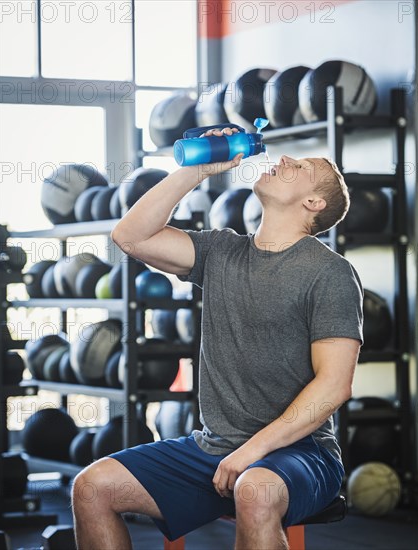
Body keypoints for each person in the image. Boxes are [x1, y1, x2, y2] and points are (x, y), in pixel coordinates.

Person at [72, 127, 363, 550]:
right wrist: (197, 170)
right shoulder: (220, 252)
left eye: (299, 167)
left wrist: (251, 453)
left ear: (313, 203)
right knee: (92, 487)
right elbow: (129, 237)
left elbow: (334, 386)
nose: (282, 161)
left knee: (254, 491)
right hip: (213, 447)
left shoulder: (330, 272)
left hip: (302, 453)